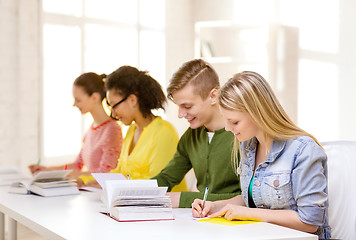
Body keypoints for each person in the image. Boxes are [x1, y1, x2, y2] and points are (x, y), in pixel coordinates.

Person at [192, 71, 330, 239]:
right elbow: (254, 197)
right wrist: (214, 206)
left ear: (258, 113)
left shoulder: (303, 150)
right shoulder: (248, 146)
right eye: (226, 120)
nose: (227, 128)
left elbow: (310, 221)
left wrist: (250, 213)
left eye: (234, 122)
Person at [80, 66, 187, 191]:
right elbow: (120, 173)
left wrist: (116, 185)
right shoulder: (132, 130)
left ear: (132, 100)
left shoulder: (163, 132)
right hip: (135, 204)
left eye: (114, 105)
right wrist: (87, 180)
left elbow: (157, 183)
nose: (113, 114)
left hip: (166, 207)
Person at [152, 59, 241, 208]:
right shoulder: (191, 136)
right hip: (200, 220)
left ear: (213, 96)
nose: (180, 114)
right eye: (179, 106)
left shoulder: (242, 135)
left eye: (187, 106)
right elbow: (167, 178)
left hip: (236, 225)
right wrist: (133, 192)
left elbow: (248, 198)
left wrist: (184, 198)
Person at [29, 72, 123, 175]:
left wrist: (69, 175)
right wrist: (47, 170)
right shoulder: (91, 130)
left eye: (78, 100)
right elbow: (77, 165)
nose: (74, 104)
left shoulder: (112, 130)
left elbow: (106, 172)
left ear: (95, 98)